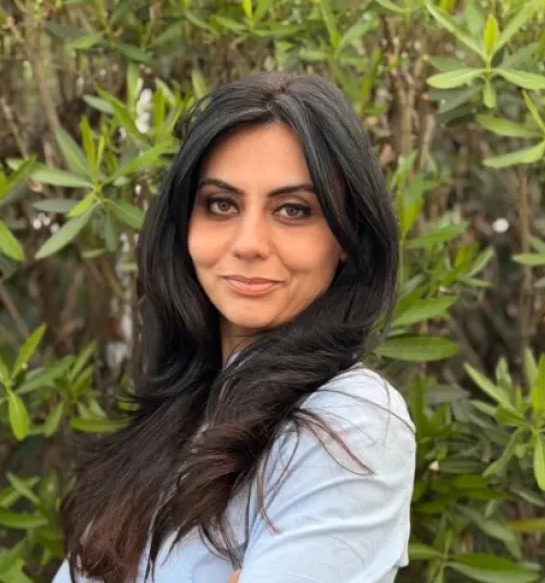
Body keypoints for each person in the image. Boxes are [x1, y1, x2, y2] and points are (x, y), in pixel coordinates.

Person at [52, 72, 416, 583]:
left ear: (346, 236)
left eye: (293, 210)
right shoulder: (178, 419)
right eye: (221, 204)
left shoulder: (351, 420)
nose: (248, 243)